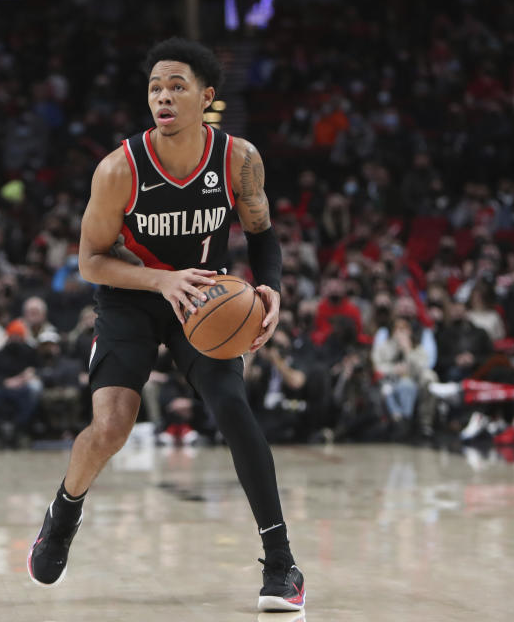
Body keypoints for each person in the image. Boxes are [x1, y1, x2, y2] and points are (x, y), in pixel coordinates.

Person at [27, 38, 305, 613]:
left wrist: (271, 286)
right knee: (112, 425)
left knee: (232, 406)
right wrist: (161, 280)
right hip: (132, 296)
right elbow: (90, 260)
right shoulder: (119, 168)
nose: (163, 96)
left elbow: (261, 233)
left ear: (207, 96)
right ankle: (63, 514)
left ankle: (281, 564)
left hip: (204, 299)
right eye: (155, 87)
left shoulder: (238, 159)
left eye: (177, 85)